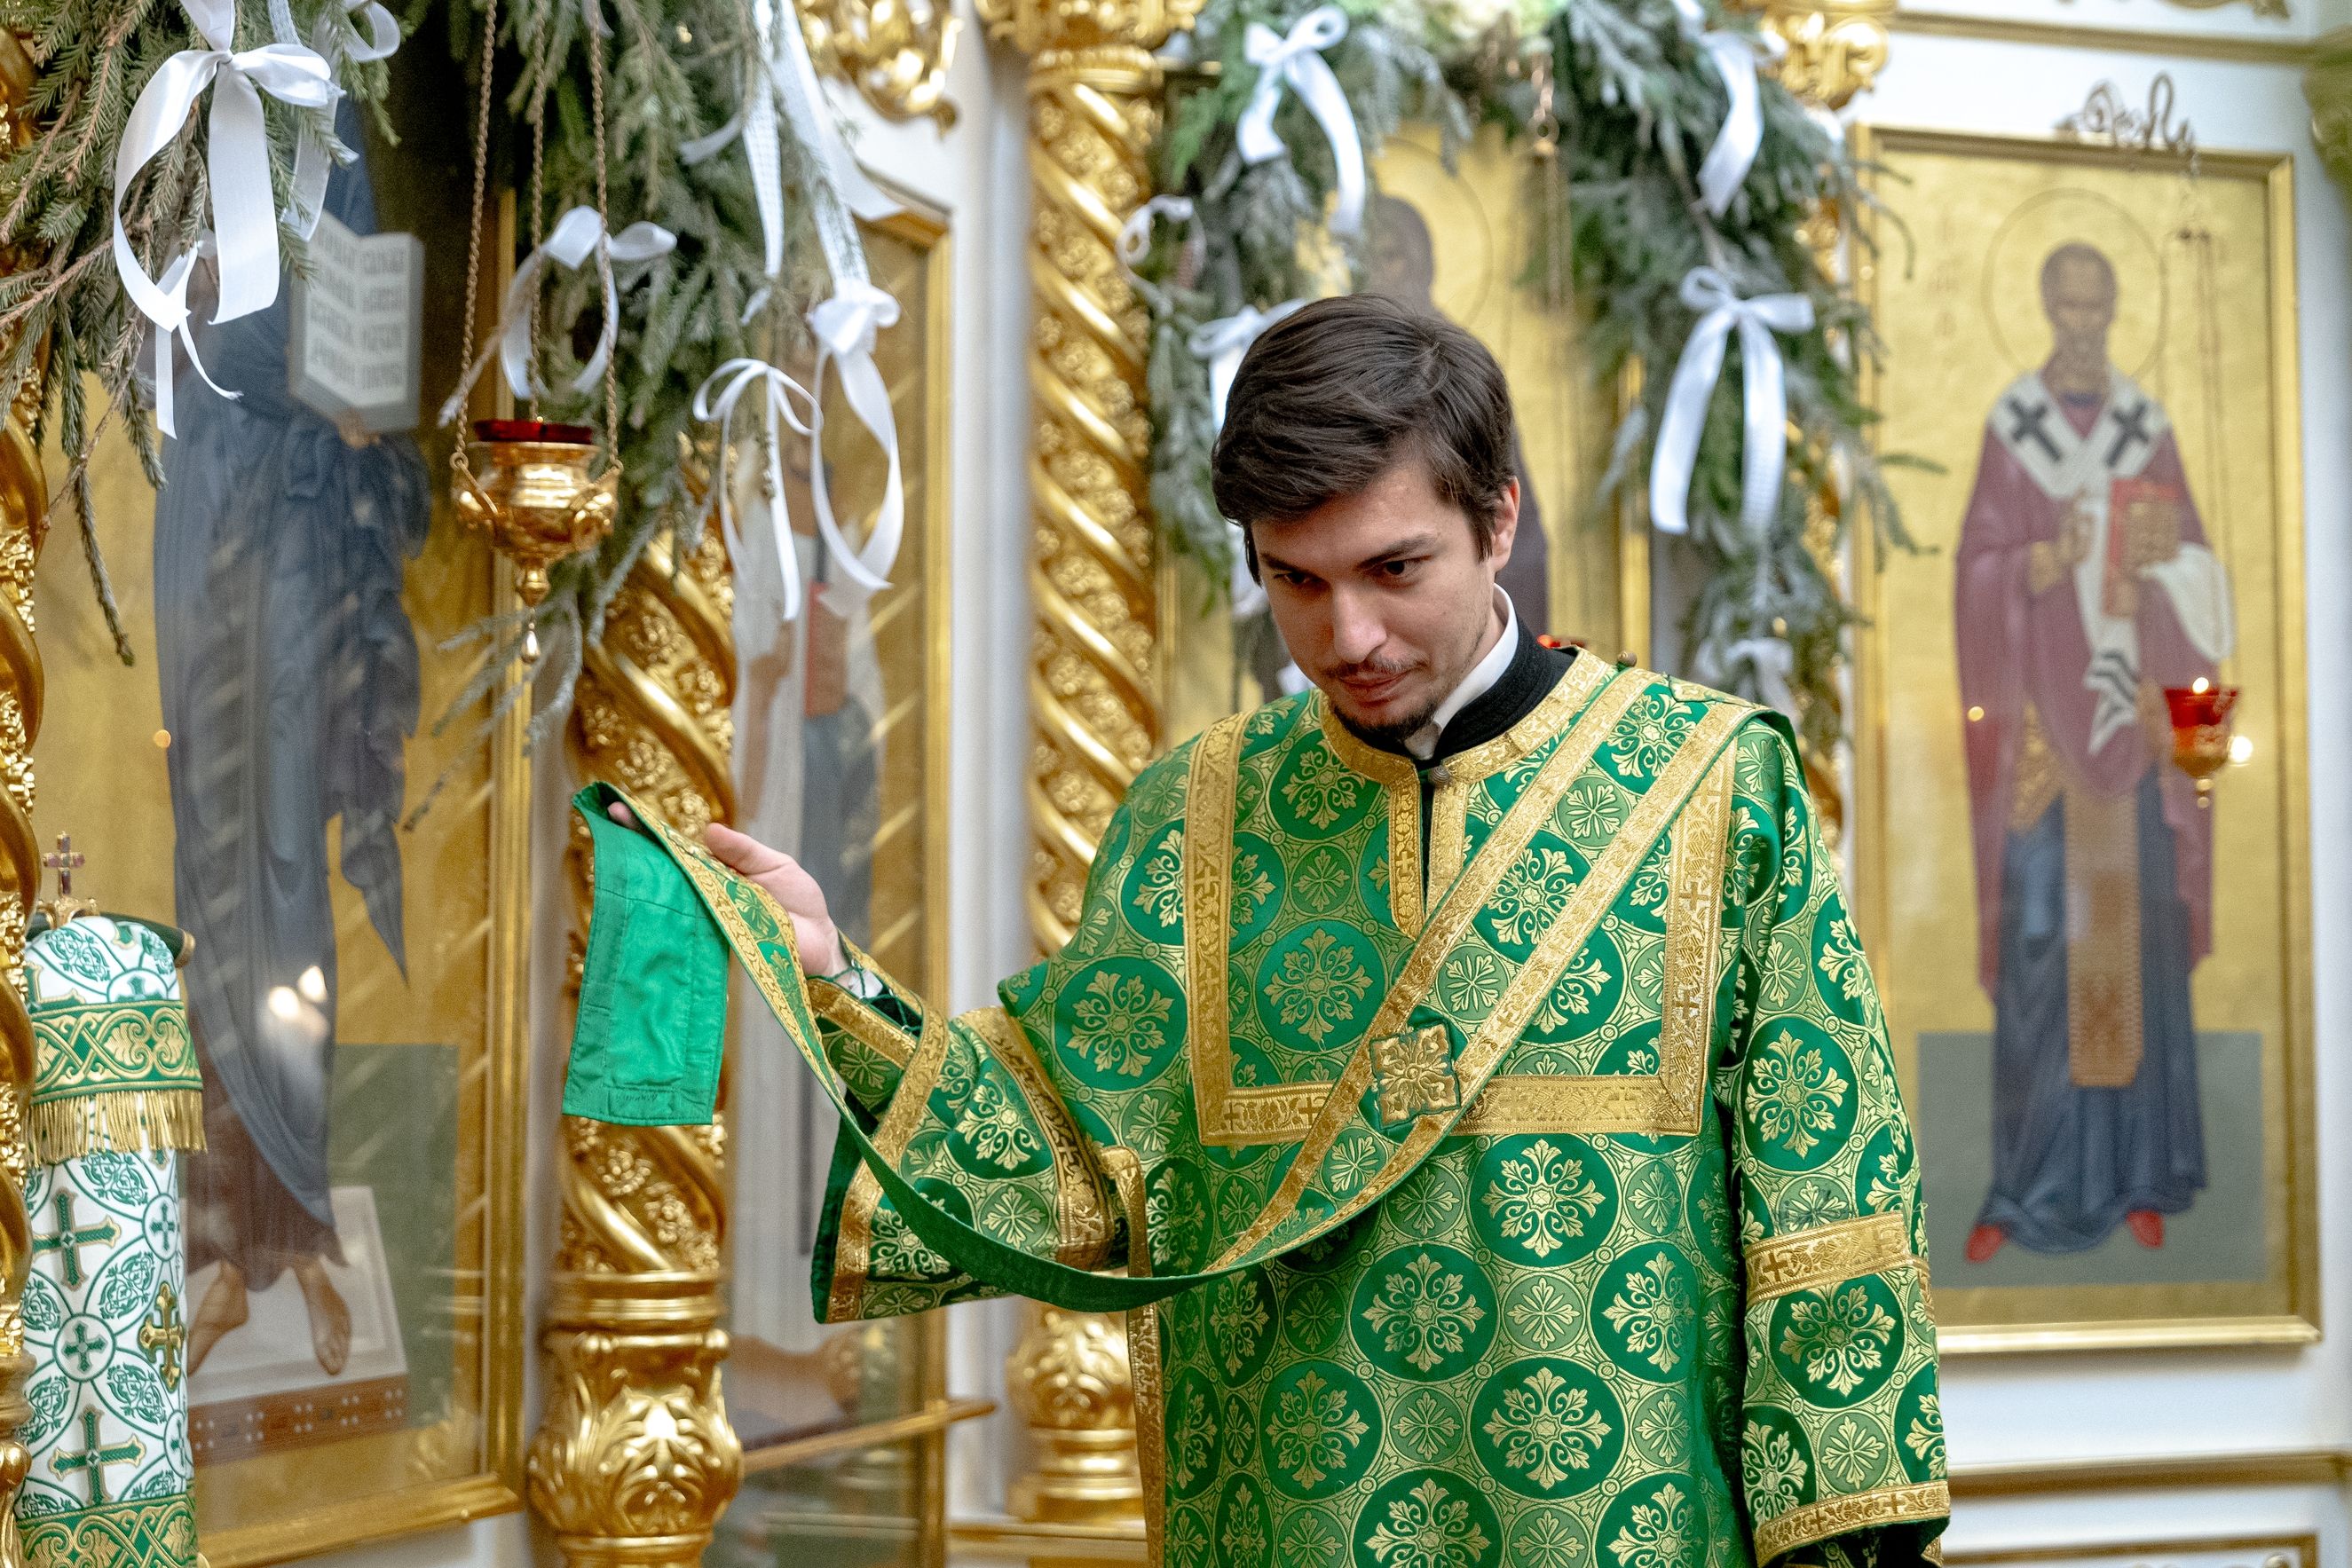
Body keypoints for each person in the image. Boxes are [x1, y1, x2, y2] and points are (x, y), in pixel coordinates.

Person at [695, 295, 1947, 1563]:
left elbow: (1825, 1209)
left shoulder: (1713, 787)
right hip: (1289, 1523)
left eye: (1394, 569)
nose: (1347, 637)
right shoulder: (1197, 811)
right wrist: (833, 979)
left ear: (1498, 521)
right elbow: (1069, 1153)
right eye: (1294, 579)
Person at [158, 106, 430, 1379]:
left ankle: (293, 1220)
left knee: (274, 864)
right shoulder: (197, 86)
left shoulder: (334, 109)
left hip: (292, 523)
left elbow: (347, 317)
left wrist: (333, 374)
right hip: (210, 495)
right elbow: (180, 308)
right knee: (208, 858)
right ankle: (226, 1241)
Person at [1953, 243, 2228, 1262]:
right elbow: (1975, 573)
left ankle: (2138, 1177)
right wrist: (2038, 559)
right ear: (2044, 308)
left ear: (2111, 313)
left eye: (2095, 308)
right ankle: (2024, 1188)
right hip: (2040, 745)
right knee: (2039, 957)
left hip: (2128, 738)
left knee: (2136, 950)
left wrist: (2167, 567)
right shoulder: (2014, 428)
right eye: (2066, 307)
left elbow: (2201, 577)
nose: (2081, 324)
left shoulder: (2145, 430)